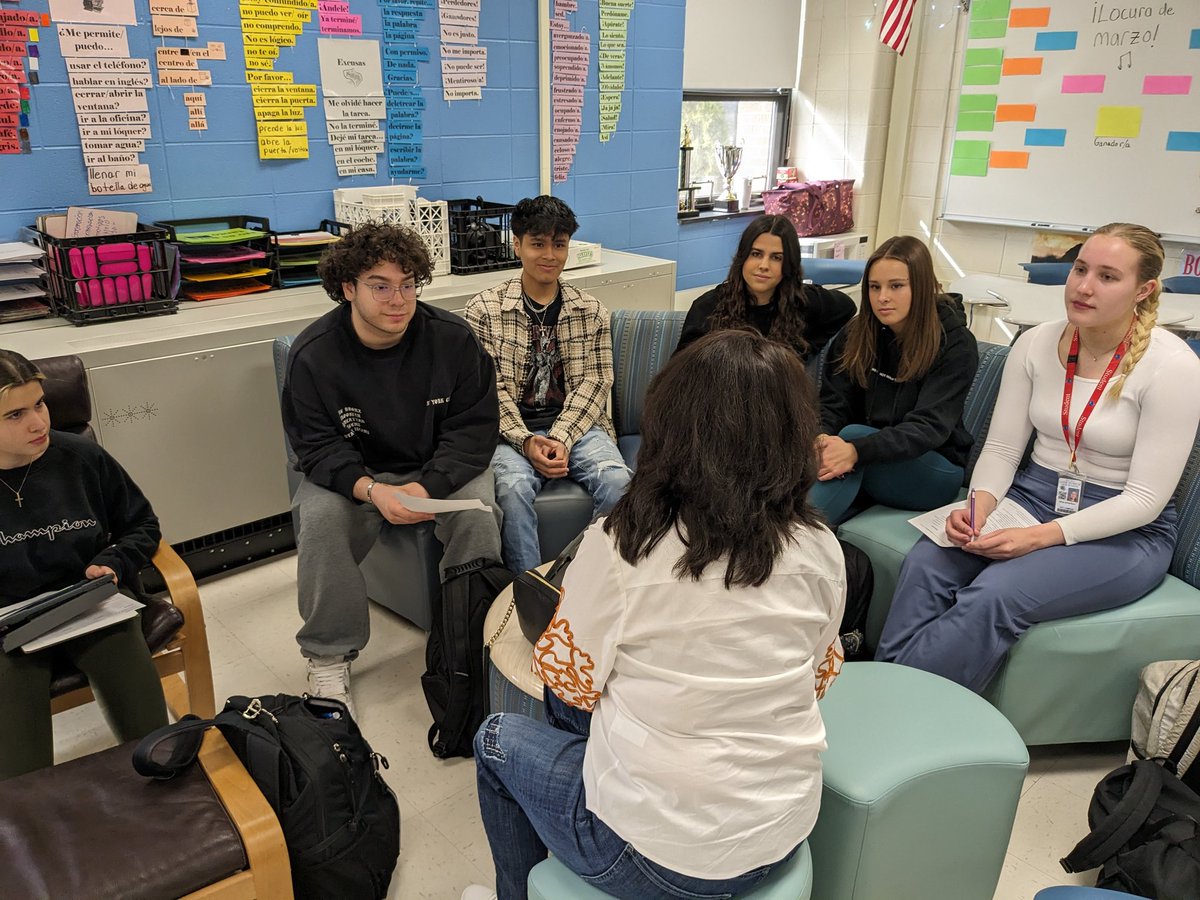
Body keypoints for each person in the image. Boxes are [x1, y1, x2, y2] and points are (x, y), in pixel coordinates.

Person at [465, 330, 846, 900]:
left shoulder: (624, 544)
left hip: (656, 856)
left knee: (497, 738)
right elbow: (817, 677)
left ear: (672, 427)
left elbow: (568, 680)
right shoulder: (820, 547)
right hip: (782, 828)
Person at [876, 223, 1200, 691]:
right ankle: (890, 695)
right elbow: (1004, 449)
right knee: (929, 561)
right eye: (1080, 270)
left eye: (1108, 277)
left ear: (1144, 290)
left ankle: (897, 701)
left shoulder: (1174, 367)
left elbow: (1145, 500)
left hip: (1126, 531)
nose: (1084, 287)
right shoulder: (1033, 344)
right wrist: (978, 508)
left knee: (994, 594)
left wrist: (1039, 538)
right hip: (1033, 495)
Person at [281, 223, 503, 713]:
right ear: (347, 288)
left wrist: (429, 486)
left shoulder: (452, 339)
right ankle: (328, 655)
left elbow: (474, 430)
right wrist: (370, 490)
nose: (397, 299)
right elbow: (315, 448)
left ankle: (469, 642)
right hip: (358, 473)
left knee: (478, 516)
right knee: (319, 522)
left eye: (407, 284)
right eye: (380, 286)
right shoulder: (313, 355)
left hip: (437, 465)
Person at [0, 350, 167, 780]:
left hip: (89, 607)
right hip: (9, 627)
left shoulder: (80, 457)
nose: (38, 423)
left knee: (155, 749)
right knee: (23, 780)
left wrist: (113, 560)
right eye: (15, 414)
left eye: (39, 403)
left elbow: (142, 524)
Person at [465, 196, 631, 574]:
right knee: (512, 489)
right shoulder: (484, 310)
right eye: (538, 244)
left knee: (619, 483)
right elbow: (485, 391)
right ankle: (528, 590)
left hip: (576, 426)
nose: (550, 255)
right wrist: (525, 439)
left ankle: (584, 576)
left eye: (559, 245)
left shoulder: (590, 310)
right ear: (517, 244)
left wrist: (561, 437)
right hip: (507, 432)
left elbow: (596, 380)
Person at [812, 235, 979, 523]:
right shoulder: (857, 334)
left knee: (851, 437)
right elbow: (832, 404)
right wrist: (822, 437)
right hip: (869, 457)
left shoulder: (955, 343)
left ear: (922, 287)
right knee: (821, 448)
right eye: (874, 287)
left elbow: (928, 428)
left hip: (933, 468)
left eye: (896, 286)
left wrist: (854, 450)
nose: (882, 297)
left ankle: (784, 545)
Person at [674, 214, 856, 365]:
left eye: (776, 258)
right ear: (742, 258)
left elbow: (847, 307)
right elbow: (680, 372)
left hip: (776, 402)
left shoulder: (802, 302)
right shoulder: (709, 307)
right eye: (756, 254)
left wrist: (806, 350)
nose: (764, 265)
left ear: (789, 265)